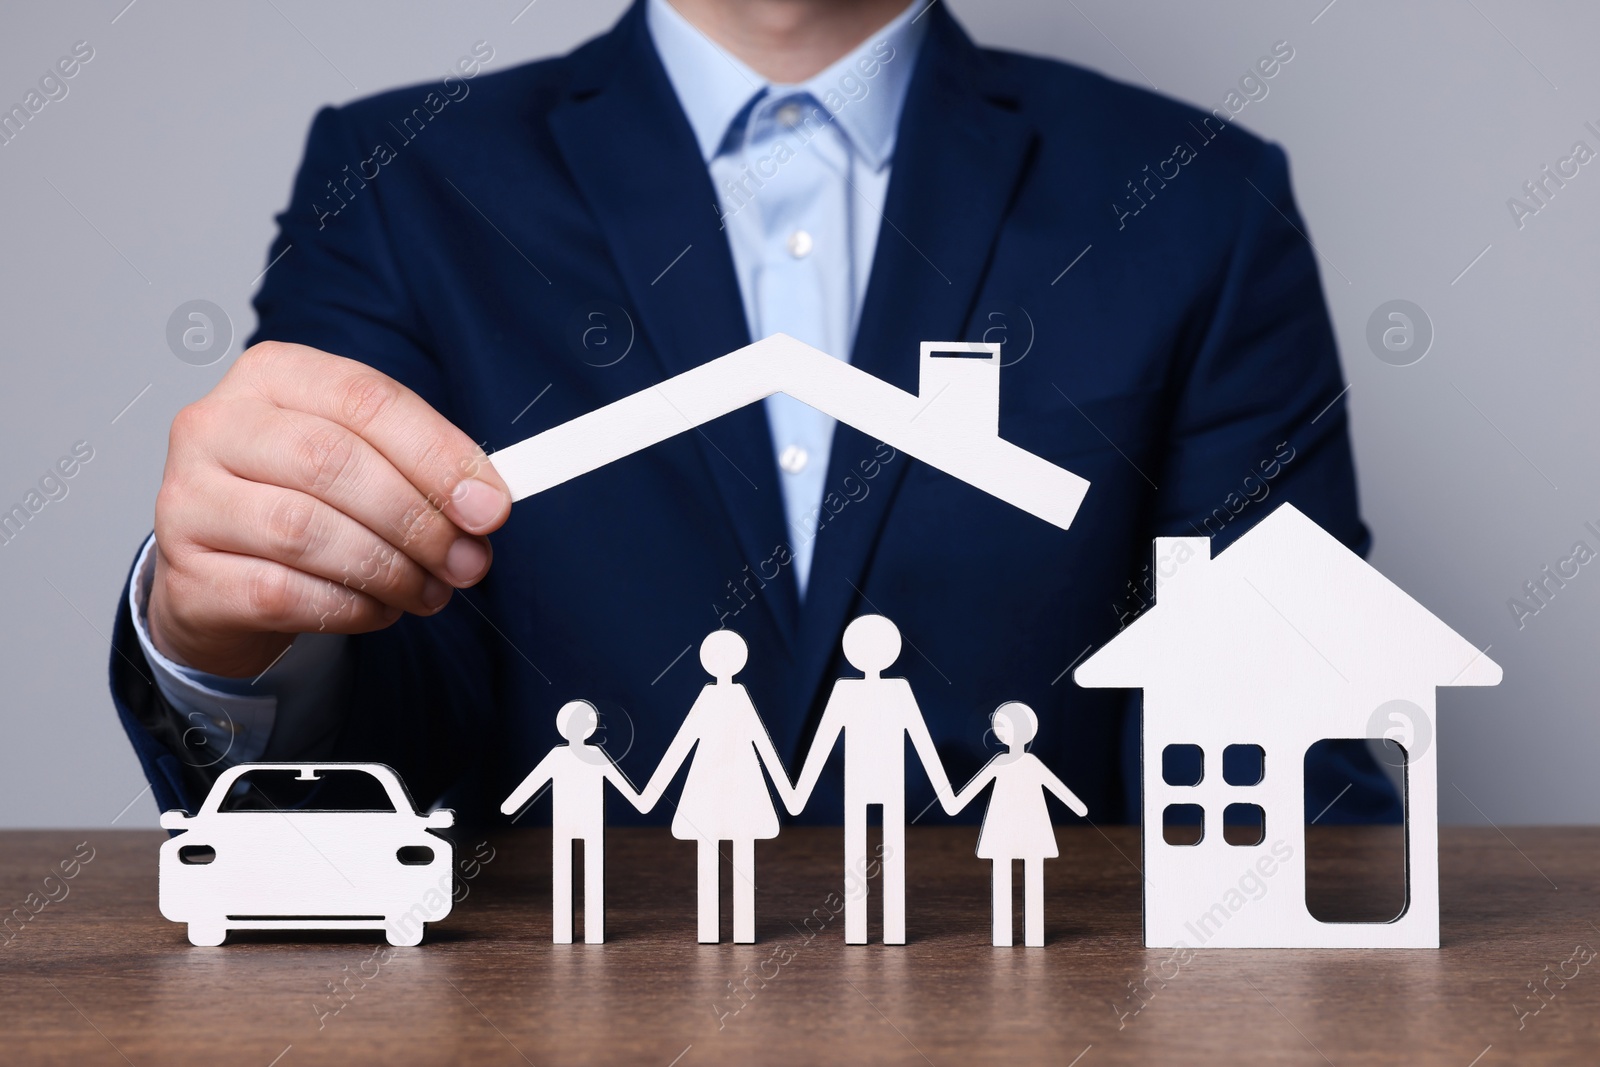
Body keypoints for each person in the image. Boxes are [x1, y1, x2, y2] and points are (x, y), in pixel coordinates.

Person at [109, 0, 1398, 831]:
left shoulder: (1198, 201)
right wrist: (227, 642)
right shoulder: (401, 180)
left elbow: (1291, 750)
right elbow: (358, 740)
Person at [788, 615, 955, 944]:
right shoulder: (847, 691)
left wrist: (946, 793)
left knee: (890, 853)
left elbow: (921, 740)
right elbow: (823, 741)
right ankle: (859, 929)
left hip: (889, 782)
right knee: (860, 855)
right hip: (861, 782)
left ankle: (891, 929)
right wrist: (800, 791)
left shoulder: (898, 690)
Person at [637, 630, 795, 943]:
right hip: (712, 785)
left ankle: (740, 931)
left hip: (739, 784)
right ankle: (714, 930)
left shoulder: (734, 698)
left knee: (734, 852)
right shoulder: (713, 698)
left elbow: (760, 743)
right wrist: (651, 792)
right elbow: (684, 743)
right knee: (713, 851)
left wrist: (789, 792)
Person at [501, 699, 648, 944]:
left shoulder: (589, 755)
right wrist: (511, 805)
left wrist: (511, 806)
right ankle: (568, 932)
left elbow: (623, 785)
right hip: (567, 824)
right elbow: (532, 783)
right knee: (567, 874)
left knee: (587, 874)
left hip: (585, 823)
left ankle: (590, 932)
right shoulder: (568, 755)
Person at [947, 701, 1086, 948]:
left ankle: (1019, 936)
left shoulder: (1012, 762)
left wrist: (952, 801)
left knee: (1019, 874)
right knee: (1022, 874)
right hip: (1021, 830)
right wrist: (1079, 807)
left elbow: (963, 797)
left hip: (1017, 830)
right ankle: (1021, 936)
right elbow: (1064, 794)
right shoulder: (1018, 762)